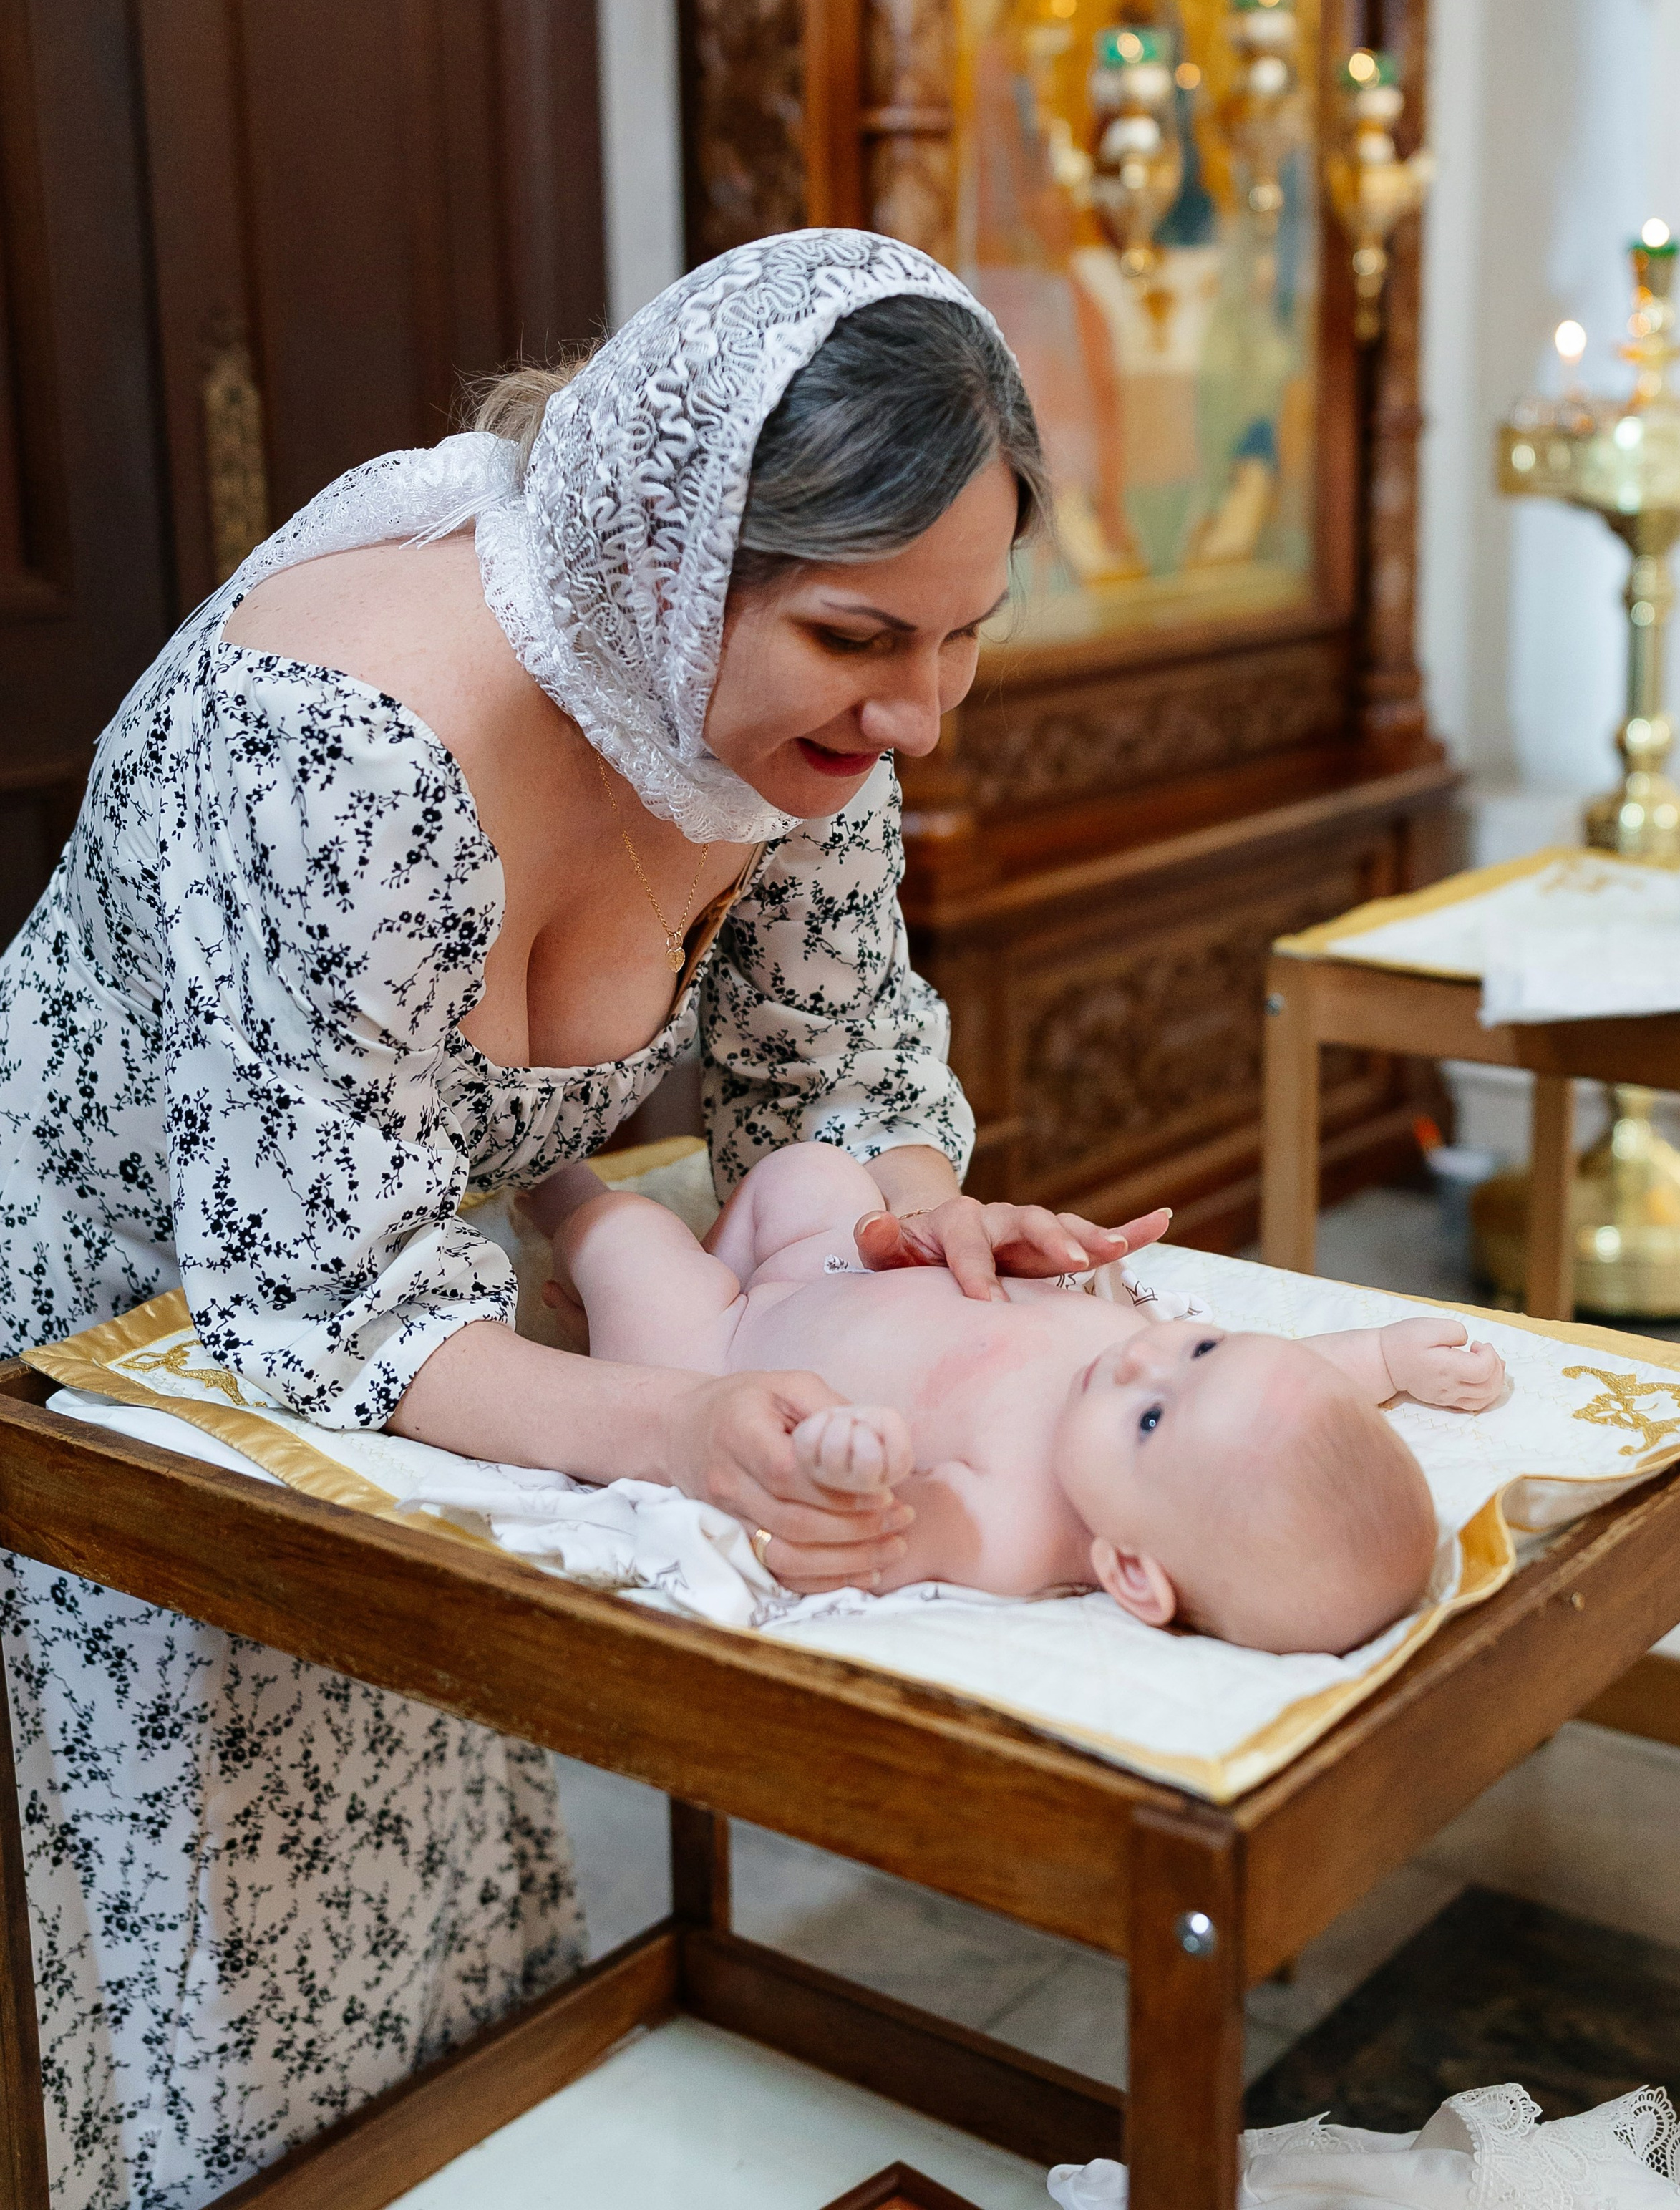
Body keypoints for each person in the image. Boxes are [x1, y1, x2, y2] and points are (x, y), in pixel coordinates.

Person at [0, 229, 1155, 2210]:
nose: (923, 718)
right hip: (107, 1357)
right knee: (171, 1946)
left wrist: (919, 1235)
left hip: (414, 1346)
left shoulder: (783, 734)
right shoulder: (348, 754)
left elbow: (840, 1069)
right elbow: (327, 1297)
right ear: (676, 549)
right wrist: (682, 1427)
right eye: (869, 639)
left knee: (416, 1915)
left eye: (967, 639)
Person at [533, 1139, 1507, 1654]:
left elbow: (893, 1532)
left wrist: (850, 1459)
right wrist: (1384, 1353)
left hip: (725, 1347)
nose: (1145, 1363)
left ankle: (546, 1184)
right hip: (844, 1257)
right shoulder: (1192, 1404)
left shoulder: (1017, 1528)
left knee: (625, 1232)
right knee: (812, 1171)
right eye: (1201, 1346)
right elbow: (1283, 1384)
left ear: (1131, 1569)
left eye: (1153, 1420)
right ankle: (689, 1252)